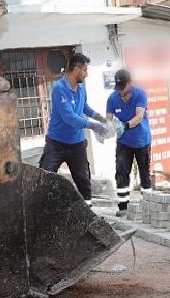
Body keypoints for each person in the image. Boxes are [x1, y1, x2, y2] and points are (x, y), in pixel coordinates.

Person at [39, 53, 108, 206]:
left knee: (83, 180)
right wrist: (93, 126)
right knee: (45, 176)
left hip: (77, 143)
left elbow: (84, 107)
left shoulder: (82, 88)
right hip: (56, 143)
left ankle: (88, 210)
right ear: (76, 69)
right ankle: (43, 210)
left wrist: (100, 118)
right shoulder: (59, 88)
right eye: (85, 70)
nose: (87, 74)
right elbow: (68, 117)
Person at [106, 69, 152, 217]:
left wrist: (125, 125)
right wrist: (110, 127)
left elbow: (139, 116)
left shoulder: (140, 94)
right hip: (123, 142)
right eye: (119, 91)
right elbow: (109, 118)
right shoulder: (112, 99)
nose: (122, 95)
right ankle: (123, 206)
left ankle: (148, 205)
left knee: (144, 173)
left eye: (124, 91)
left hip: (141, 141)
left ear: (130, 84)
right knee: (121, 172)